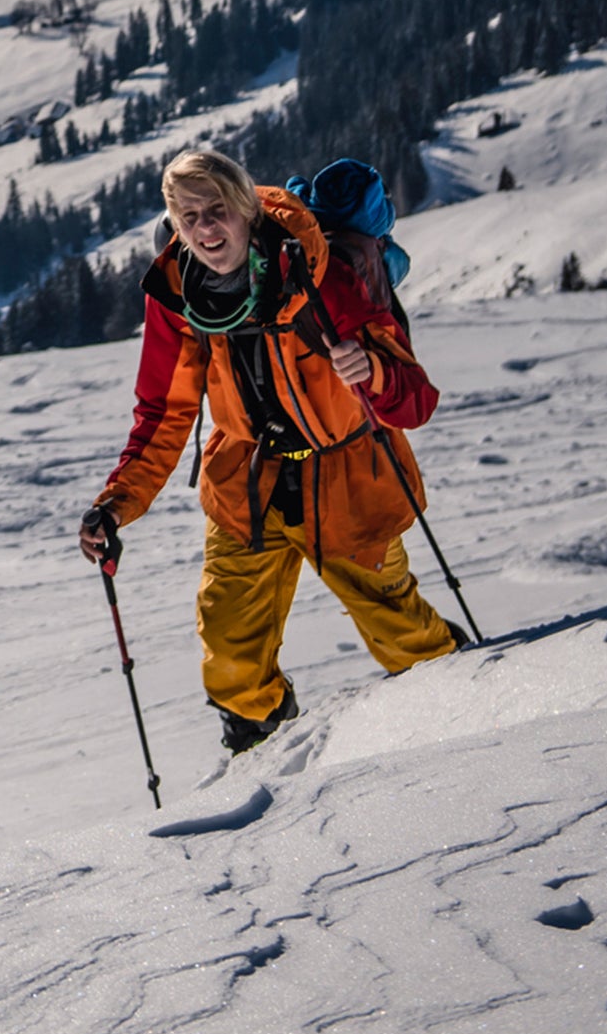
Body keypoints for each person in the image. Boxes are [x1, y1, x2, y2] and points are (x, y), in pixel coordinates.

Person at [79, 147, 461, 753]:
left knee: (403, 636)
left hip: (349, 482)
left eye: (217, 209)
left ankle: (471, 710)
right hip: (245, 484)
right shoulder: (177, 291)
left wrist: (374, 374)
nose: (205, 228)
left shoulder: (320, 274)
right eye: (187, 215)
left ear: (247, 209)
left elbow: (415, 399)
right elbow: (164, 412)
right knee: (230, 653)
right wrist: (117, 504)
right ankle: (262, 756)